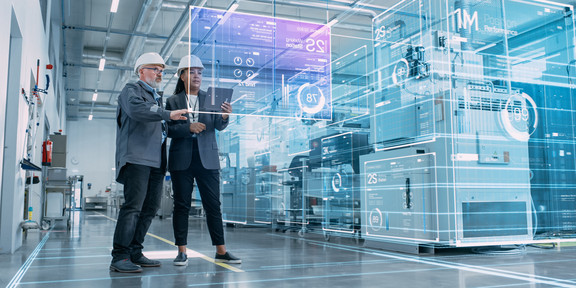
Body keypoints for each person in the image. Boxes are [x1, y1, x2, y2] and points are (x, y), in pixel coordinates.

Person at [110, 52, 188, 273]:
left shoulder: (157, 98)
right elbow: (138, 110)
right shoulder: (131, 91)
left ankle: (135, 251)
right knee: (133, 206)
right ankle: (120, 256)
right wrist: (166, 113)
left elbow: (164, 126)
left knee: (151, 207)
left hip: (156, 161)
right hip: (137, 158)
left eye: (161, 70)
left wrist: (186, 125)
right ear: (141, 70)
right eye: (155, 69)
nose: (159, 73)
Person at [166, 54, 241, 266]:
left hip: (207, 159)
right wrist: (187, 127)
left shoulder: (211, 98)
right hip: (182, 160)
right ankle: (181, 251)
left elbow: (218, 125)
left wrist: (225, 116)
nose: (197, 76)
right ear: (182, 76)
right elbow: (168, 129)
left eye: (200, 72)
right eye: (192, 71)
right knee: (181, 206)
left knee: (213, 205)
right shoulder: (173, 101)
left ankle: (221, 251)